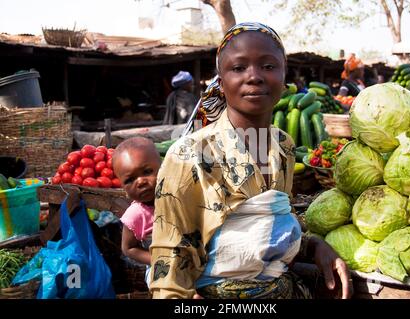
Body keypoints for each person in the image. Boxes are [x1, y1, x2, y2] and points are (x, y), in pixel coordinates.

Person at [150, 22, 352, 299]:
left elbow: (272, 228)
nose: (254, 76)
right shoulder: (190, 156)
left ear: (284, 75)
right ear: (220, 80)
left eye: (268, 66)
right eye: (238, 67)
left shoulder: (283, 147)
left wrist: (313, 246)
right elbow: (170, 264)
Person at [112, 136, 161, 289]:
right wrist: (158, 259)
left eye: (147, 171)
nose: (140, 182)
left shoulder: (180, 198)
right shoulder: (136, 215)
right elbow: (128, 248)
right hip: (161, 268)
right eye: (129, 180)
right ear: (123, 188)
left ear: (164, 167)